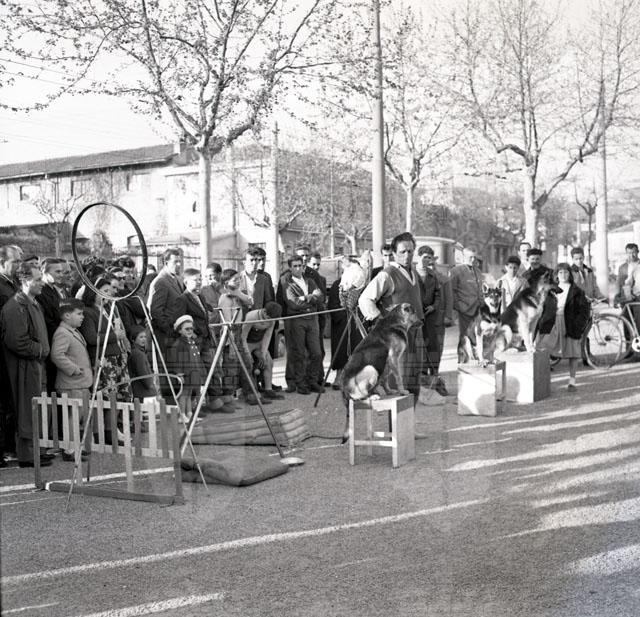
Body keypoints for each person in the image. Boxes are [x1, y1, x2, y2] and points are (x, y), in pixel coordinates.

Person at [358, 232, 424, 398]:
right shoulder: (387, 274)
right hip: (396, 337)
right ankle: (394, 414)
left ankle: (411, 413)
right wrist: (381, 320)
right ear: (394, 253)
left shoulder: (414, 273)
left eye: (410, 251)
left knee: (414, 378)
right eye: (402, 251)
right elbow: (365, 299)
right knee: (397, 377)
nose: (407, 255)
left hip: (415, 333)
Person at [1, 263, 52, 467]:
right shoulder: (15, 306)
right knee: (27, 410)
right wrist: (39, 350)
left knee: (38, 408)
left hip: (36, 364)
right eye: (37, 279)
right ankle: (27, 455)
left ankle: (38, 450)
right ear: (24, 280)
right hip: (24, 366)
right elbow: (16, 340)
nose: (42, 283)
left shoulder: (32, 302)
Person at [218, 269, 271, 406]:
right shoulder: (225, 299)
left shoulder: (236, 295)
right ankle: (227, 399)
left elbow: (250, 301)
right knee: (230, 368)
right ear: (226, 282)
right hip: (230, 334)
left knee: (247, 365)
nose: (238, 281)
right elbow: (227, 323)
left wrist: (237, 292)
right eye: (234, 280)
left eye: (239, 279)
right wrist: (231, 345)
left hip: (238, 332)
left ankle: (252, 396)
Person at [50, 298, 93, 462]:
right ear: (67, 315)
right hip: (71, 383)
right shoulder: (62, 332)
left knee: (78, 417)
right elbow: (56, 355)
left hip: (80, 383)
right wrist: (74, 369)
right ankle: (69, 450)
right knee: (72, 418)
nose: (82, 317)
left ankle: (75, 447)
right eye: (79, 314)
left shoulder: (72, 331)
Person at [78, 276, 132, 403]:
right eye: (105, 291)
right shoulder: (88, 312)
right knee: (109, 396)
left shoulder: (109, 310)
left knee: (122, 395)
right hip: (104, 359)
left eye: (109, 291)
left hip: (117, 356)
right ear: (93, 291)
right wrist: (115, 336)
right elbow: (92, 338)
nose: (109, 294)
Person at [536, 263, 590, 391]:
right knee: (544, 350)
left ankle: (572, 381)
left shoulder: (577, 291)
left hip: (569, 323)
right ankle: (545, 382)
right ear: (556, 275)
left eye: (566, 272)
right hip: (552, 323)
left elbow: (584, 311)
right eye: (560, 272)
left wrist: (578, 326)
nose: (563, 275)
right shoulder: (550, 290)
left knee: (573, 353)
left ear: (570, 274)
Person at [282, 255, 324, 395]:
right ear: (290, 268)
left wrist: (305, 298)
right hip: (297, 320)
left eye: (300, 265)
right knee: (299, 353)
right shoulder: (287, 284)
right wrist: (311, 298)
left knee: (316, 352)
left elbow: (320, 297)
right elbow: (293, 303)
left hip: (312, 319)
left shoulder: (310, 281)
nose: (298, 268)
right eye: (295, 266)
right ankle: (300, 383)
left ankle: (312, 381)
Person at [147, 249, 184, 388]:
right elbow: (155, 311)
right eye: (175, 262)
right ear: (166, 262)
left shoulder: (176, 279)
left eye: (180, 261)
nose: (179, 265)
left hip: (176, 333)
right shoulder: (160, 281)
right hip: (165, 335)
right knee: (167, 371)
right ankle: (168, 399)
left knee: (177, 369)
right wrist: (169, 330)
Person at [0, 244, 22, 466]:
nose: (19, 265)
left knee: (10, 401)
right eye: (14, 261)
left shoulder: (13, 283)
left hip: (13, 351)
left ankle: (9, 446)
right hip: (4, 349)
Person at [416, 245, 446, 395]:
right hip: (415, 316)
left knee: (432, 345)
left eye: (429, 258)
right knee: (418, 347)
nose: (426, 260)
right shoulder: (411, 273)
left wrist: (433, 306)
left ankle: (434, 378)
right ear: (418, 257)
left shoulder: (433, 276)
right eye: (424, 257)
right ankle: (420, 380)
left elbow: (438, 295)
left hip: (430, 316)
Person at [241, 302, 285, 400]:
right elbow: (243, 336)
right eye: (268, 317)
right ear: (264, 311)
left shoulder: (272, 319)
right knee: (248, 364)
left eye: (272, 319)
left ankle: (268, 389)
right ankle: (252, 392)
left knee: (268, 362)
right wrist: (247, 354)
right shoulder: (251, 317)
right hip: (247, 342)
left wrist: (263, 354)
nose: (269, 320)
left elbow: (267, 336)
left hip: (260, 342)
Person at [38, 257, 69, 393]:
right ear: (44, 272)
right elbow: (46, 320)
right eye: (57, 272)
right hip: (51, 342)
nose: (61, 275)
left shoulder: (54, 290)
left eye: (62, 271)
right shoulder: (41, 292)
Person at [449, 246, 484, 363]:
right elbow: (451, 291)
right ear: (464, 257)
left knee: (477, 336)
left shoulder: (478, 271)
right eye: (470, 257)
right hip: (465, 310)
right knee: (465, 336)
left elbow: (480, 290)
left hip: (478, 310)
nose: (473, 260)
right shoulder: (456, 271)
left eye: (475, 257)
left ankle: (476, 360)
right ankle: (463, 362)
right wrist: (459, 306)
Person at [167, 315, 205, 420]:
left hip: (194, 372)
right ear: (180, 330)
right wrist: (179, 374)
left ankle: (189, 413)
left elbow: (197, 358)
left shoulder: (191, 341)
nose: (190, 331)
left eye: (191, 328)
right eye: (186, 329)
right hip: (186, 373)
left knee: (189, 394)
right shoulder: (179, 344)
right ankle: (182, 415)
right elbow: (176, 360)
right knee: (184, 394)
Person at [308, 251, 327, 386]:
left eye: (318, 264)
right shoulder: (304, 278)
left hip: (320, 316)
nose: (316, 267)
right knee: (312, 351)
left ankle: (320, 377)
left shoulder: (322, 279)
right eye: (314, 264)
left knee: (320, 349)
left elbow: (323, 298)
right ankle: (310, 379)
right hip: (308, 316)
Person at [127, 325, 158, 403]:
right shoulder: (138, 354)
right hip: (144, 393)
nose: (144, 339)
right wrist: (150, 384)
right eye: (141, 337)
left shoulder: (139, 352)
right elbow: (143, 373)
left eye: (145, 337)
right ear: (133, 339)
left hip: (143, 392)